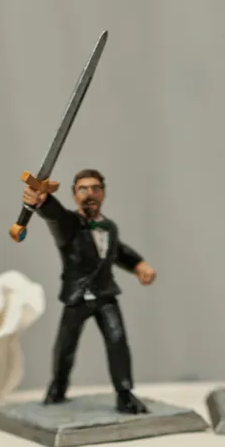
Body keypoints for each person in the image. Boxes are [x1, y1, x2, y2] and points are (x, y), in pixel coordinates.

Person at [20, 167, 157, 413]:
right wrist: (42, 201)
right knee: (65, 346)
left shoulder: (110, 227)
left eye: (95, 188)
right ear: (74, 195)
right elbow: (55, 214)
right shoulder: (69, 225)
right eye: (83, 189)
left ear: (103, 193)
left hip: (105, 295)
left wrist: (138, 264)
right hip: (77, 297)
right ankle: (58, 387)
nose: (89, 194)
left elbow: (118, 251)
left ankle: (125, 394)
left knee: (118, 341)